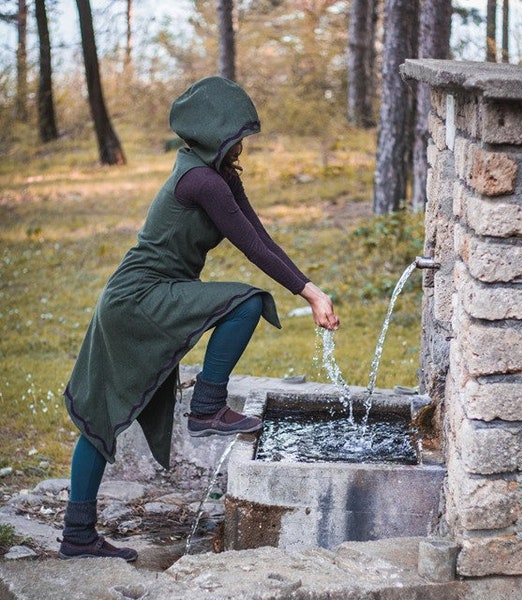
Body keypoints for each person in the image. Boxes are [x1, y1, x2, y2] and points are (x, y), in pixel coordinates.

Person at [58, 76, 340, 561]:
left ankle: (79, 532)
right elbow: (250, 247)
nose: (243, 143)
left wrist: (310, 288)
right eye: (237, 133)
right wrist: (310, 292)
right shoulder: (201, 180)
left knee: (244, 303)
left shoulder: (218, 175)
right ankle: (204, 411)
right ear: (216, 133)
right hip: (136, 298)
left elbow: (260, 235)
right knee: (100, 418)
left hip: (158, 291)